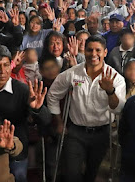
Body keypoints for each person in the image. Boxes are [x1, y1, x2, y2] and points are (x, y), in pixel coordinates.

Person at [47, 36, 126, 182]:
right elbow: (52, 95)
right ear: (85, 51)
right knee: (71, 174)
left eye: (98, 50)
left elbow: (118, 109)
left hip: (101, 132)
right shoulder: (73, 73)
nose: (93, 54)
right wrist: (58, 122)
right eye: (89, 50)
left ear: (105, 52)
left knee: (92, 171)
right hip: (76, 132)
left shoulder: (116, 78)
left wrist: (110, 91)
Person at [0, 44, 51, 182]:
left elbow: (46, 120)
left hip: (15, 153)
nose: (3, 71)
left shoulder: (23, 90)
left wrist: (37, 109)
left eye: (6, 65)